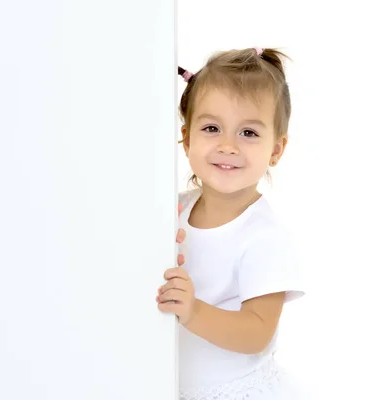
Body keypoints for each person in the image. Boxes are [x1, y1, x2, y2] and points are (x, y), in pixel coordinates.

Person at [156, 47, 307, 400]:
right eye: (212, 128)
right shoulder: (172, 209)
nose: (227, 146)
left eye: (248, 133)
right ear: (187, 138)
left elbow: (257, 334)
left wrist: (193, 311)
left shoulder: (264, 237)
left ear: (276, 149)